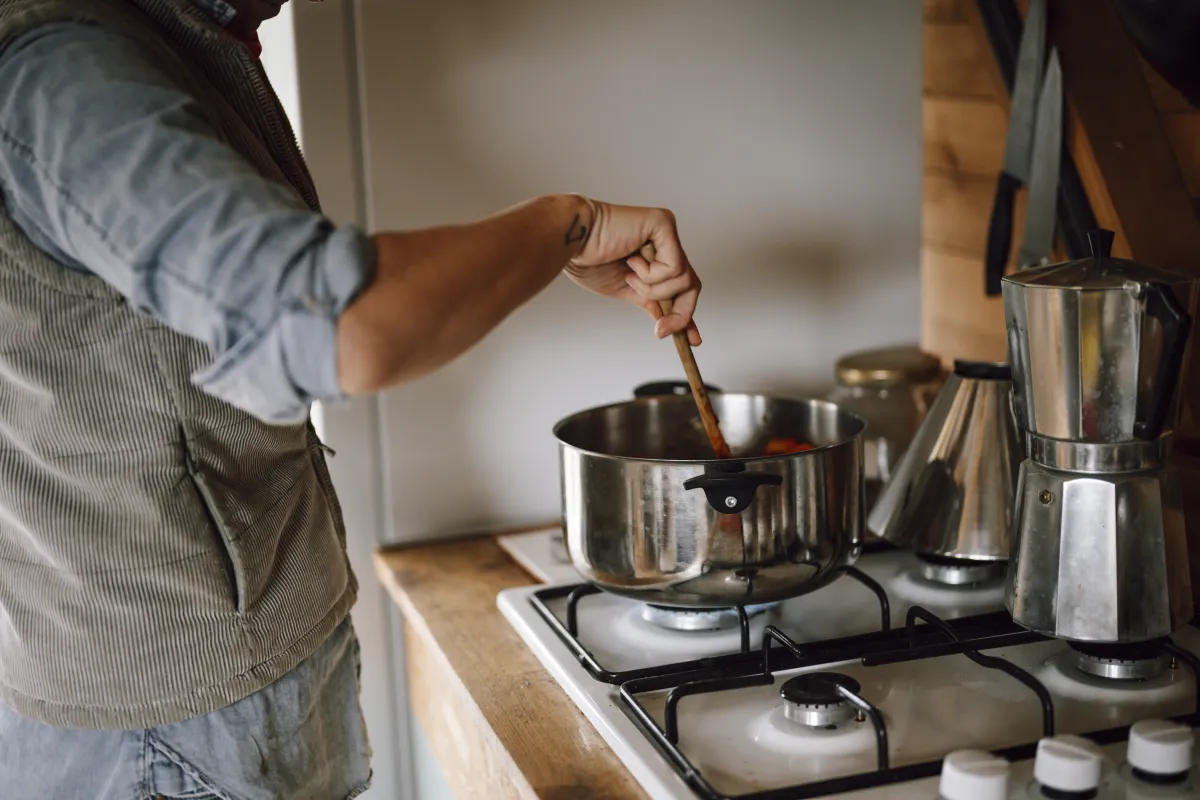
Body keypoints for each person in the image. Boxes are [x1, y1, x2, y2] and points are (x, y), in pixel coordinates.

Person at [0, 0, 702, 797]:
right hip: (171, 738)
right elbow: (337, 323)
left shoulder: (150, 45)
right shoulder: (65, 75)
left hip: (203, 709)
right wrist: (566, 226)